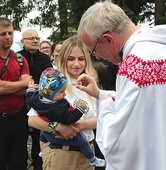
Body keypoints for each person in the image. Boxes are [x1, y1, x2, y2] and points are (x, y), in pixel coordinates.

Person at [76, 1, 166, 170]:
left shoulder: (134, 64)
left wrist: (105, 105)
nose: (98, 56)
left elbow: (118, 143)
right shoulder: (163, 46)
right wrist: (101, 94)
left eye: (94, 51)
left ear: (108, 40)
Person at [28, 35, 99, 170]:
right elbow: (32, 120)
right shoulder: (53, 82)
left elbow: (100, 117)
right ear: (62, 58)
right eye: (71, 59)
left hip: (87, 153)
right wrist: (56, 127)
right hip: (61, 153)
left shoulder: (90, 84)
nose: (76, 64)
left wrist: (77, 125)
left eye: (81, 59)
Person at [26, 67, 106, 167]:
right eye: (71, 58)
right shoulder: (57, 108)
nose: (64, 94)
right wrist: (80, 109)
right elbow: (70, 118)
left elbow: (29, 97)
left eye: (81, 58)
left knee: (42, 135)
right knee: (82, 142)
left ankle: (42, 150)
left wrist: (30, 89)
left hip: (50, 137)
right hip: (62, 148)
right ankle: (93, 160)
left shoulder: (38, 98)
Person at [0, 17, 33, 170]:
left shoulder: (20, 59)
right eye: (3, 34)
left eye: (10, 33)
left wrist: (6, 87)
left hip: (19, 118)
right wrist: (21, 84)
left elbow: (28, 87)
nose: (7, 37)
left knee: (19, 162)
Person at [18, 29, 52, 170]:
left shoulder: (44, 58)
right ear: (22, 41)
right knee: (21, 134)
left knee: (39, 134)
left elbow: (50, 78)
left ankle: (38, 164)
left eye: (37, 38)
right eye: (31, 38)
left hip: (41, 99)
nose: (35, 41)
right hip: (21, 99)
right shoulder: (17, 57)